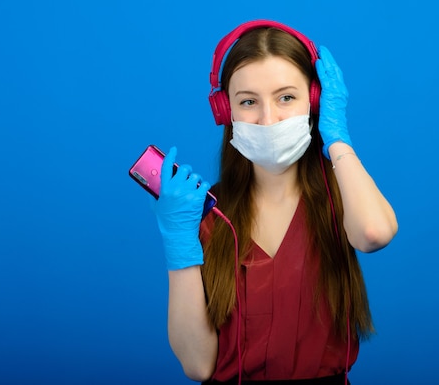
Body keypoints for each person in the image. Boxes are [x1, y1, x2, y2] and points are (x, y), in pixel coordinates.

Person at [152, 20, 398, 384]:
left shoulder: (344, 193)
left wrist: (338, 139)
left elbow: (374, 233)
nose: (268, 120)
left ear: (314, 102)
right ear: (226, 112)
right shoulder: (208, 214)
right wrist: (178, 240)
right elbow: (198, 365)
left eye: (286, 97)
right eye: (248, 101)